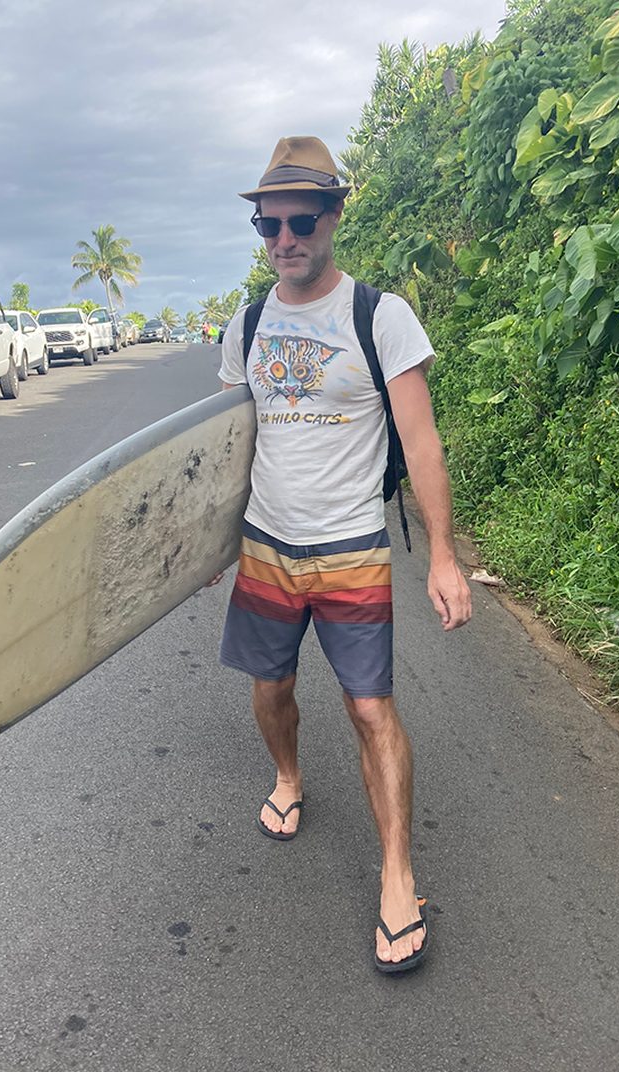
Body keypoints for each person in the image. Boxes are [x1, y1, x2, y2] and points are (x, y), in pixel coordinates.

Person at [215, 136, 472, 973]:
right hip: (266, 546)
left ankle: (398, 877)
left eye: (298, 220)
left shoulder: (379, 315)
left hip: (352, 547)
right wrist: (204, 543)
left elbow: (421, 440)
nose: (283, 239)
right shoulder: (247, 324)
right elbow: (226, 445)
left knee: (370, 709)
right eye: (267, 224)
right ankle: (289, 778)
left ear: (332, 216)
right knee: (271, 690)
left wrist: (442, 554)